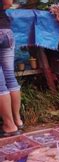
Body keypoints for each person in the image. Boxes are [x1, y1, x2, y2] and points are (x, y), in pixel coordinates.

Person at [0, 0, 22, 137]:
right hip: (6, 30)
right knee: (9, 76)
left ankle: (9, 125)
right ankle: (17, 120)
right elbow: (8, 2)